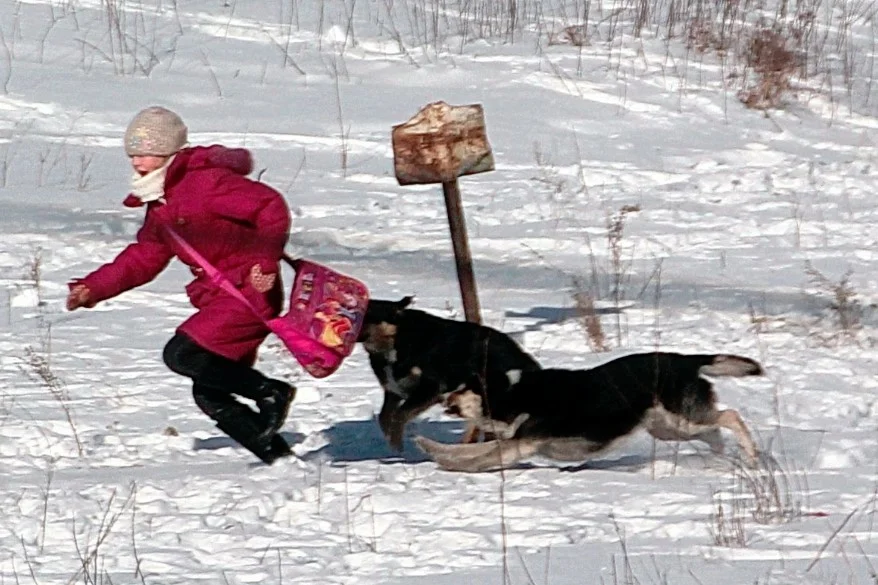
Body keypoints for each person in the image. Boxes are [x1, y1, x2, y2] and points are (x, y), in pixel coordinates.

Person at [66, 106, 296, 464]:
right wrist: (93, 288)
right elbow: (146, 256)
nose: (138, 162)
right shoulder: (160, 200)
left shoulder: (204, 183)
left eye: (147, 153)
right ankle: (280, 460)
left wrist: (264, 261)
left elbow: (270, 206)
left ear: (169, 151)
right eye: (133, 154)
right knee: (210, 394)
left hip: (249, 290)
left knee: (182, 354)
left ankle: (273, 392)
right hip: (221, 296)